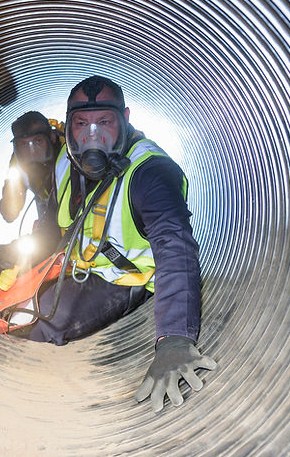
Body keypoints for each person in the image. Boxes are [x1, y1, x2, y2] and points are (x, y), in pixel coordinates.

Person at [21, 75, 216, 412]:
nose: (91, 135)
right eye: (81, 123)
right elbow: (55, 226)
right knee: (18, 301)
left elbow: (176, 250)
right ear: (67, 127)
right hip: (82, 265)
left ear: (125, 120)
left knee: (47, 322)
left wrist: (174, 339)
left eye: (105, 122)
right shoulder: (65, 161)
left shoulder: (150, 172)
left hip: (126, 280)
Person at [0, 112, 63, 286]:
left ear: (51, 138)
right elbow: (9, 213)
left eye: (38, 141)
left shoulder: (70, 152)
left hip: (78, 229)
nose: (31, 150)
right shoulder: (19, 165)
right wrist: (15, 178)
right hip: (48, 232)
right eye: (23, 145)